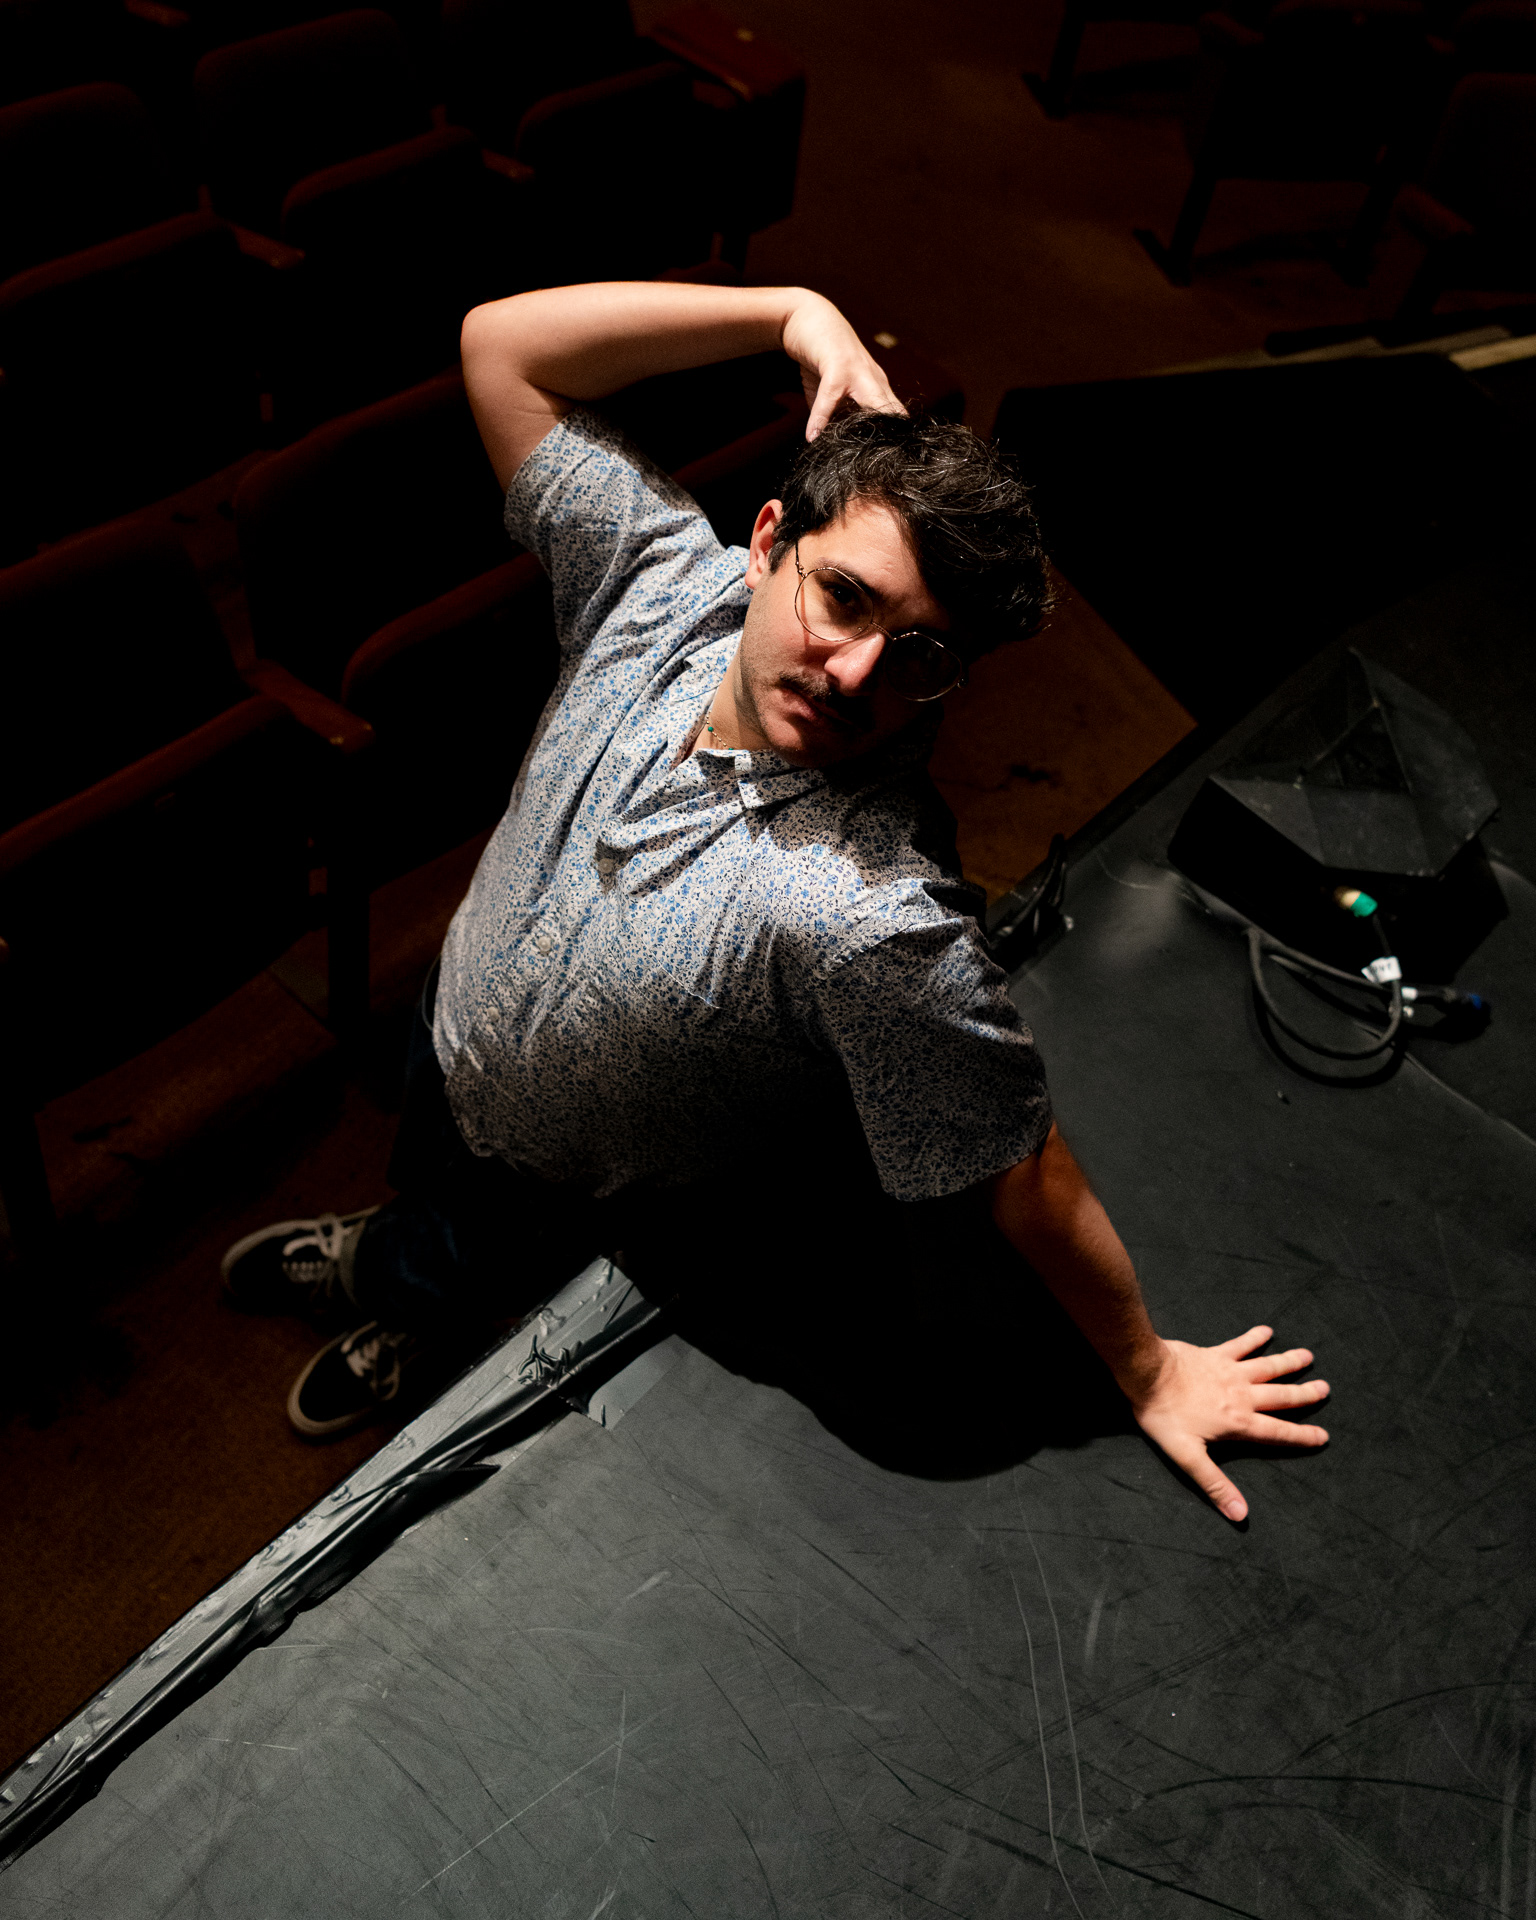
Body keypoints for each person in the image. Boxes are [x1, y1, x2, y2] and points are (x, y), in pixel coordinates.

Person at [221, 280, 1330, 1521]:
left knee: (470, 1258)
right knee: (421, 1167)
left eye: (917, 655)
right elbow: (500, 349)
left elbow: (1021, 1166)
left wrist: (1146, 1366)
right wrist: (790, 313)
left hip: (574, 1180)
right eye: (844, 596)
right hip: (454, 1021)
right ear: (764, 543)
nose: (853, 671)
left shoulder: (871, 919)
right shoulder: (657, 583)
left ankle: (412, 1308)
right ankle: (385, 1250)